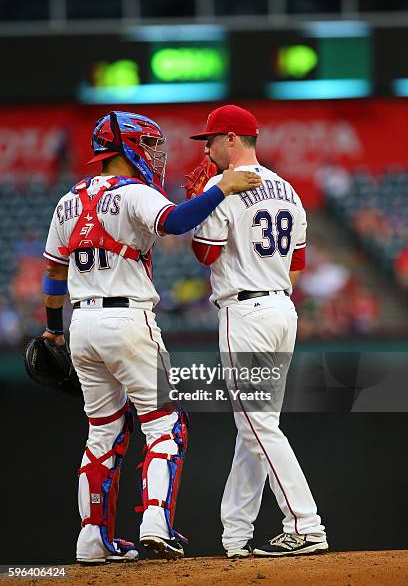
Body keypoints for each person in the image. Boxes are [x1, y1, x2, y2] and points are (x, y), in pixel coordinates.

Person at [42, 110, 261, 564]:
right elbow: (176, 223)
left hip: (80, 325)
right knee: (165, 425)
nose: (156, 153)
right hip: (128, 321)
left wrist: (52, 330)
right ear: (128, 148)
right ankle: (156, 524)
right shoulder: (135, 192)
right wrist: (222, 188)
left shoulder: (68, 199)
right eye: (150, 144)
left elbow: (52, 271)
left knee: (102, 433)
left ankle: (91, 540)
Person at [189, 105, 328, 558]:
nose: (206, 148)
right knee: (256, 426)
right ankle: (236, 535)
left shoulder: (219, 188)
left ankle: (305, 525)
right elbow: (298, 264)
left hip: (245, 312)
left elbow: (206, 255)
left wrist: (199, 209)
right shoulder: (287, 187)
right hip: (282, 309)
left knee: (257, 425)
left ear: (232, 139)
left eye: (210, 139)